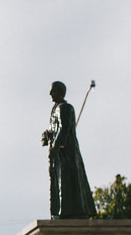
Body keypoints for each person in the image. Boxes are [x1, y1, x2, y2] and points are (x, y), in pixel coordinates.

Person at [41, 81, 96, 219]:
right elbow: (55, 128)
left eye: (52, 91)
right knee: (59, 181)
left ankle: (72, 212)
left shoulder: (64, 108)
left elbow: (64, 128)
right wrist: (48, 135)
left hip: (66, 153)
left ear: (60, 92)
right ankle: (61, 211)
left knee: (68, 181)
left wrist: (55, 146)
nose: (50, 94)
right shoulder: (55, 109)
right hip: (59, 154)